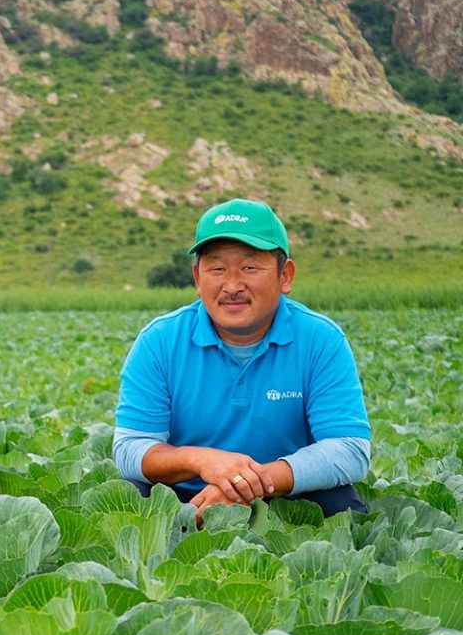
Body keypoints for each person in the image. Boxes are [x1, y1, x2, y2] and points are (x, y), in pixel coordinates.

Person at [114, 198, 370, 518]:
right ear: (197, 278)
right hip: (190, 497)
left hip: (287, 495)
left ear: (285, 275)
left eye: (249, 267)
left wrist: (248, 484)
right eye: (217, 269)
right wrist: (203, 461)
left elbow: (349, 449)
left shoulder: (321, 340)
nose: (232, 285)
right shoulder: (158, 342)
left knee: (342, 505)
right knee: (132, 497)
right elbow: (130, 448)